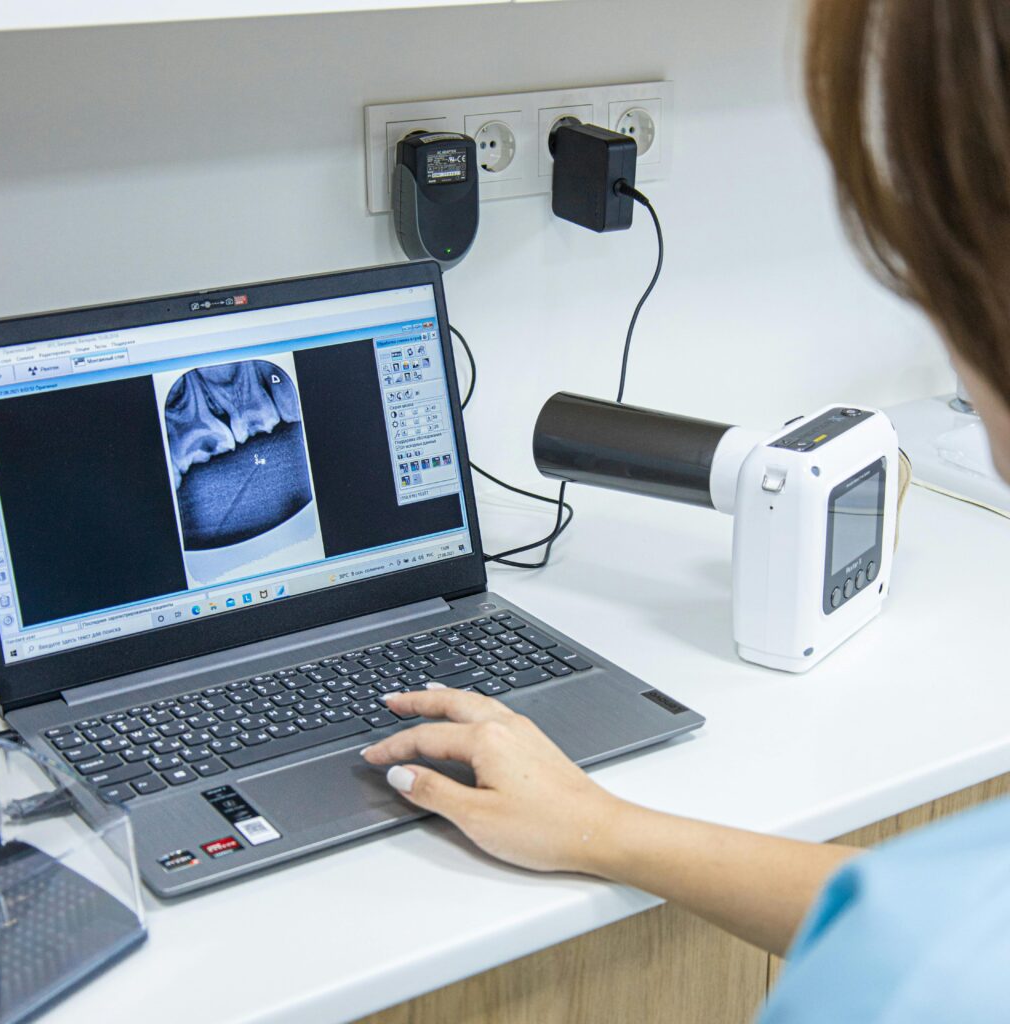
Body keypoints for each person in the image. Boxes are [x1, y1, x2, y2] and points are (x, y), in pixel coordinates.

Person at [363, 1, 1010, 1019]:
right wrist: (598, 828)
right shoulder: (936, 935)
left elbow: (929, 941)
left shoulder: (919, 977)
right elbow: (923, 909)